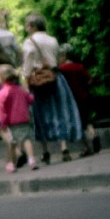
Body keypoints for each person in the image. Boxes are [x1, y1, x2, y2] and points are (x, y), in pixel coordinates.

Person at [22, 13, 82, 163]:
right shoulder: (52, 39)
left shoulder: (29, 42)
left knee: (41, 115)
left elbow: (28, 62)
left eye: (28, 25)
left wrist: (26, 79)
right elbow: (55, 58)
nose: (26, 28)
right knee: (60, 112)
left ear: (33, 26)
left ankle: (45, 151)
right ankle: (64, 147)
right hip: (55, 77)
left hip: (39, 80)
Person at [58, 44, 101, 157]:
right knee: (86, 121)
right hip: (84, 97)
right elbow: (89, 80)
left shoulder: (61, 69)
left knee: (77, 124)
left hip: (71, 100)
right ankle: (94, 134)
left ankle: (86, 148)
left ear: (64, 55)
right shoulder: (79, 67)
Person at [0, 64, 39, 171]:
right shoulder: (20, 89)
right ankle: (32, 159)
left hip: (11, 122)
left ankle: (12, 164)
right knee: (26, 140)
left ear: (1, 78)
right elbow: (30, 100)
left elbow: (1, 110)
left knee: (12, 143)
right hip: (24, 119)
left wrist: (3, 124)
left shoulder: (2, 93)